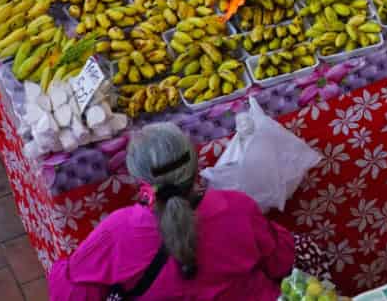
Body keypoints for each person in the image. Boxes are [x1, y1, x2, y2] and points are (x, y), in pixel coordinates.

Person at [47, 123, 295, 299]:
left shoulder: (117, 231)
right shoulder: (237, 207)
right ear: (195, 167)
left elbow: (71, 294)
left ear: (138, 178)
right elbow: (281, 262)